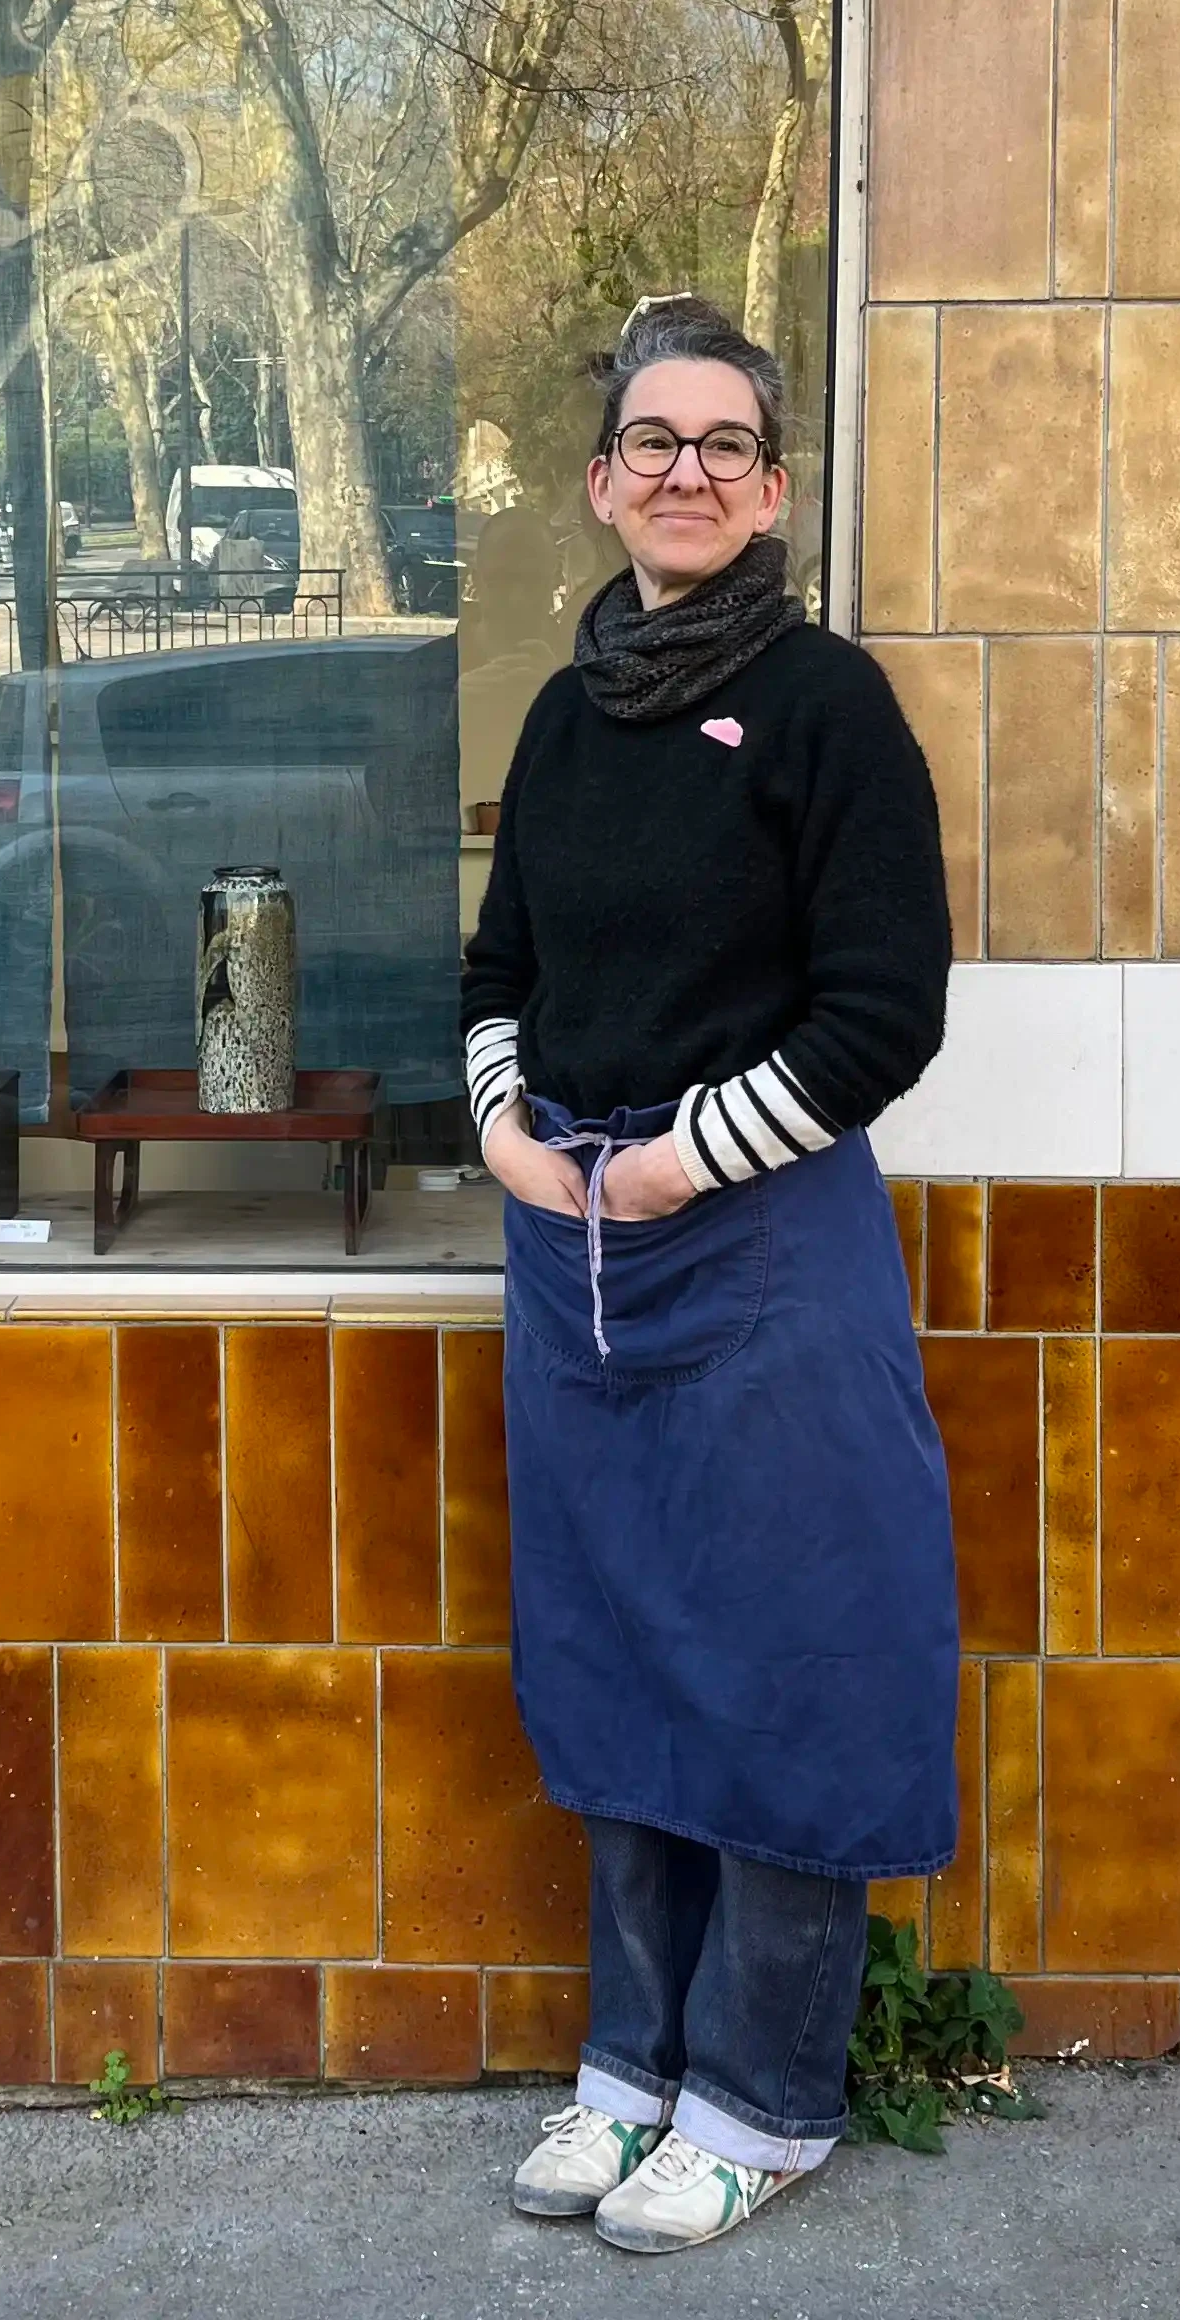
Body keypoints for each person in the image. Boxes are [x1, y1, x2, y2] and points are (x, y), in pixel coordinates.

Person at [459, 293, 959, 2255]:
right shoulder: (566, 717)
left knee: (780, 1670)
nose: (685, 472)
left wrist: (680, 1160)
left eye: (723, 445)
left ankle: (765, 2096)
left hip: (756, 1255)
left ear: (775, 487)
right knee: (620, 1651)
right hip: (569, 1253)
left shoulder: (829, 707)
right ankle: (630, 2072)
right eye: (651, 443)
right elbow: (500, 976)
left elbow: (883, 1013)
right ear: (600, 484)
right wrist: (510, 1133)